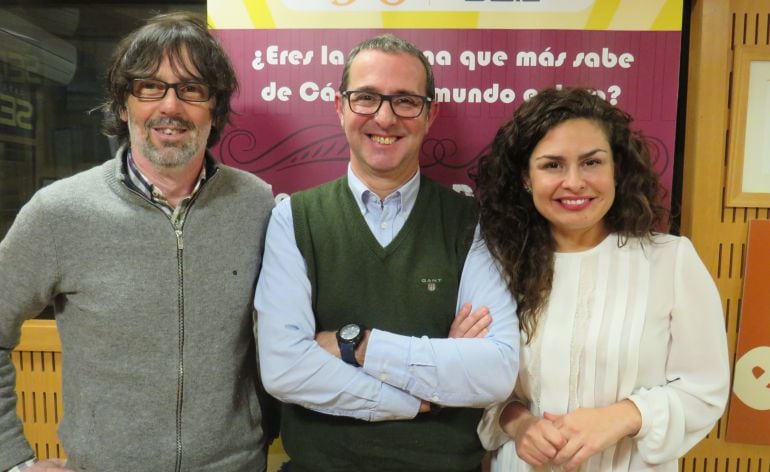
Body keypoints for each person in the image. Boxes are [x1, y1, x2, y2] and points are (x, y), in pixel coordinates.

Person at [0, 12, 275, 472]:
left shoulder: (256, 204)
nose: (171, 106)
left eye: (192, 89)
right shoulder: (59, 212)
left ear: (215, 109)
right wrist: (12, 460)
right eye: (149, 87)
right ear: (123, 106)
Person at [254, 33, 519, 472]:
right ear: (340, 108)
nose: (385, 116)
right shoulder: (293, 220)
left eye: (405, 101)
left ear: (430, 114)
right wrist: (418, 399)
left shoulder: (470, 222)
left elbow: (492, 372)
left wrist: (354, 344)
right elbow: (285, 368)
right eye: (366, 98)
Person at [473, 87, 730, 471]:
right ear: (526, 178)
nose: (574, 182)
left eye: (591, 162)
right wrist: (520, 423)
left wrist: (624, 416)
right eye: (552, 165)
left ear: (617, 169)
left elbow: (704, 392)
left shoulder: (670, 261)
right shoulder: (497, 267)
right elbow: (478, 387)